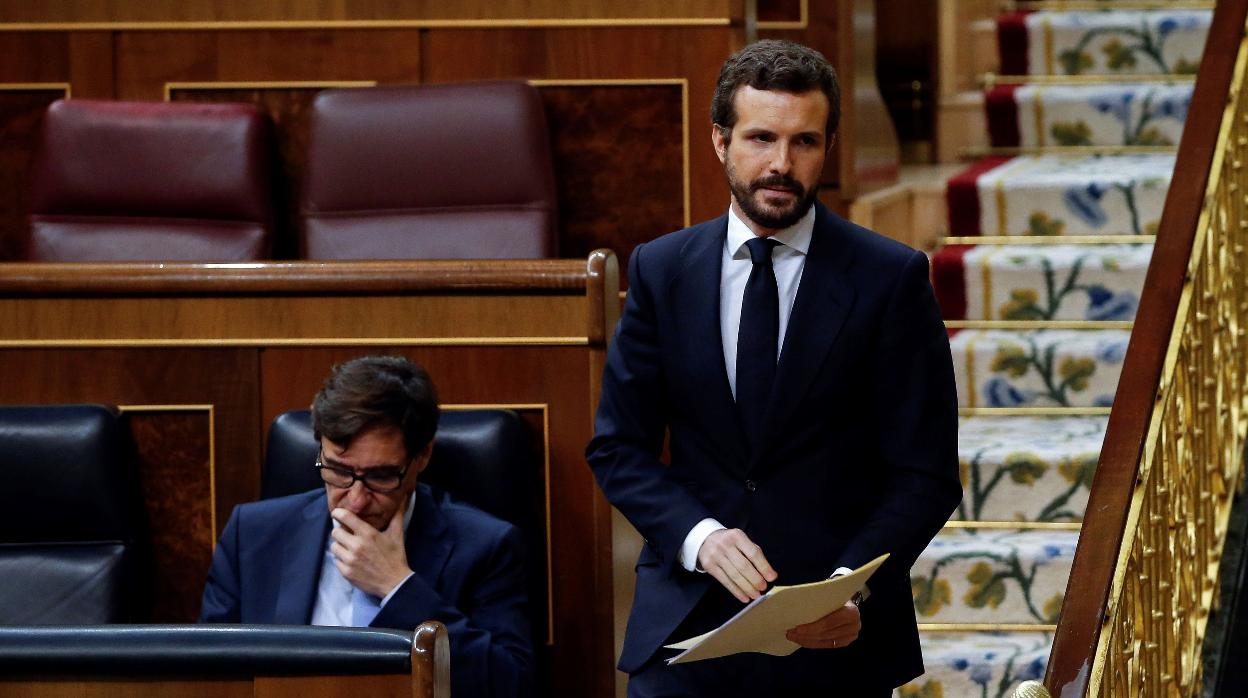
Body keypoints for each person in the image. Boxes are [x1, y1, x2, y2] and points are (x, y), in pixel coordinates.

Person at [586, 40, 961, 696]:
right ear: (720, 142)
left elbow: (924, 474)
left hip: (833, 631)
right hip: (687, 617)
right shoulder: (660, 268)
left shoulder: (890, 278)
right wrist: (699, 538)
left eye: (805, 142)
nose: (781, 165)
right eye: (761, 138)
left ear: (829, 146)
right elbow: (619, 449)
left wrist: (850, 588)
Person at [200, 355, 532, 698]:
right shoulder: (252, 535)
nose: (355, 500)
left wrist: (398, 587)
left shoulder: (487, 547)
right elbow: (208, 676)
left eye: (381, 476)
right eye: (339, 471)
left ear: (421, 457)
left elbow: (511, 685)